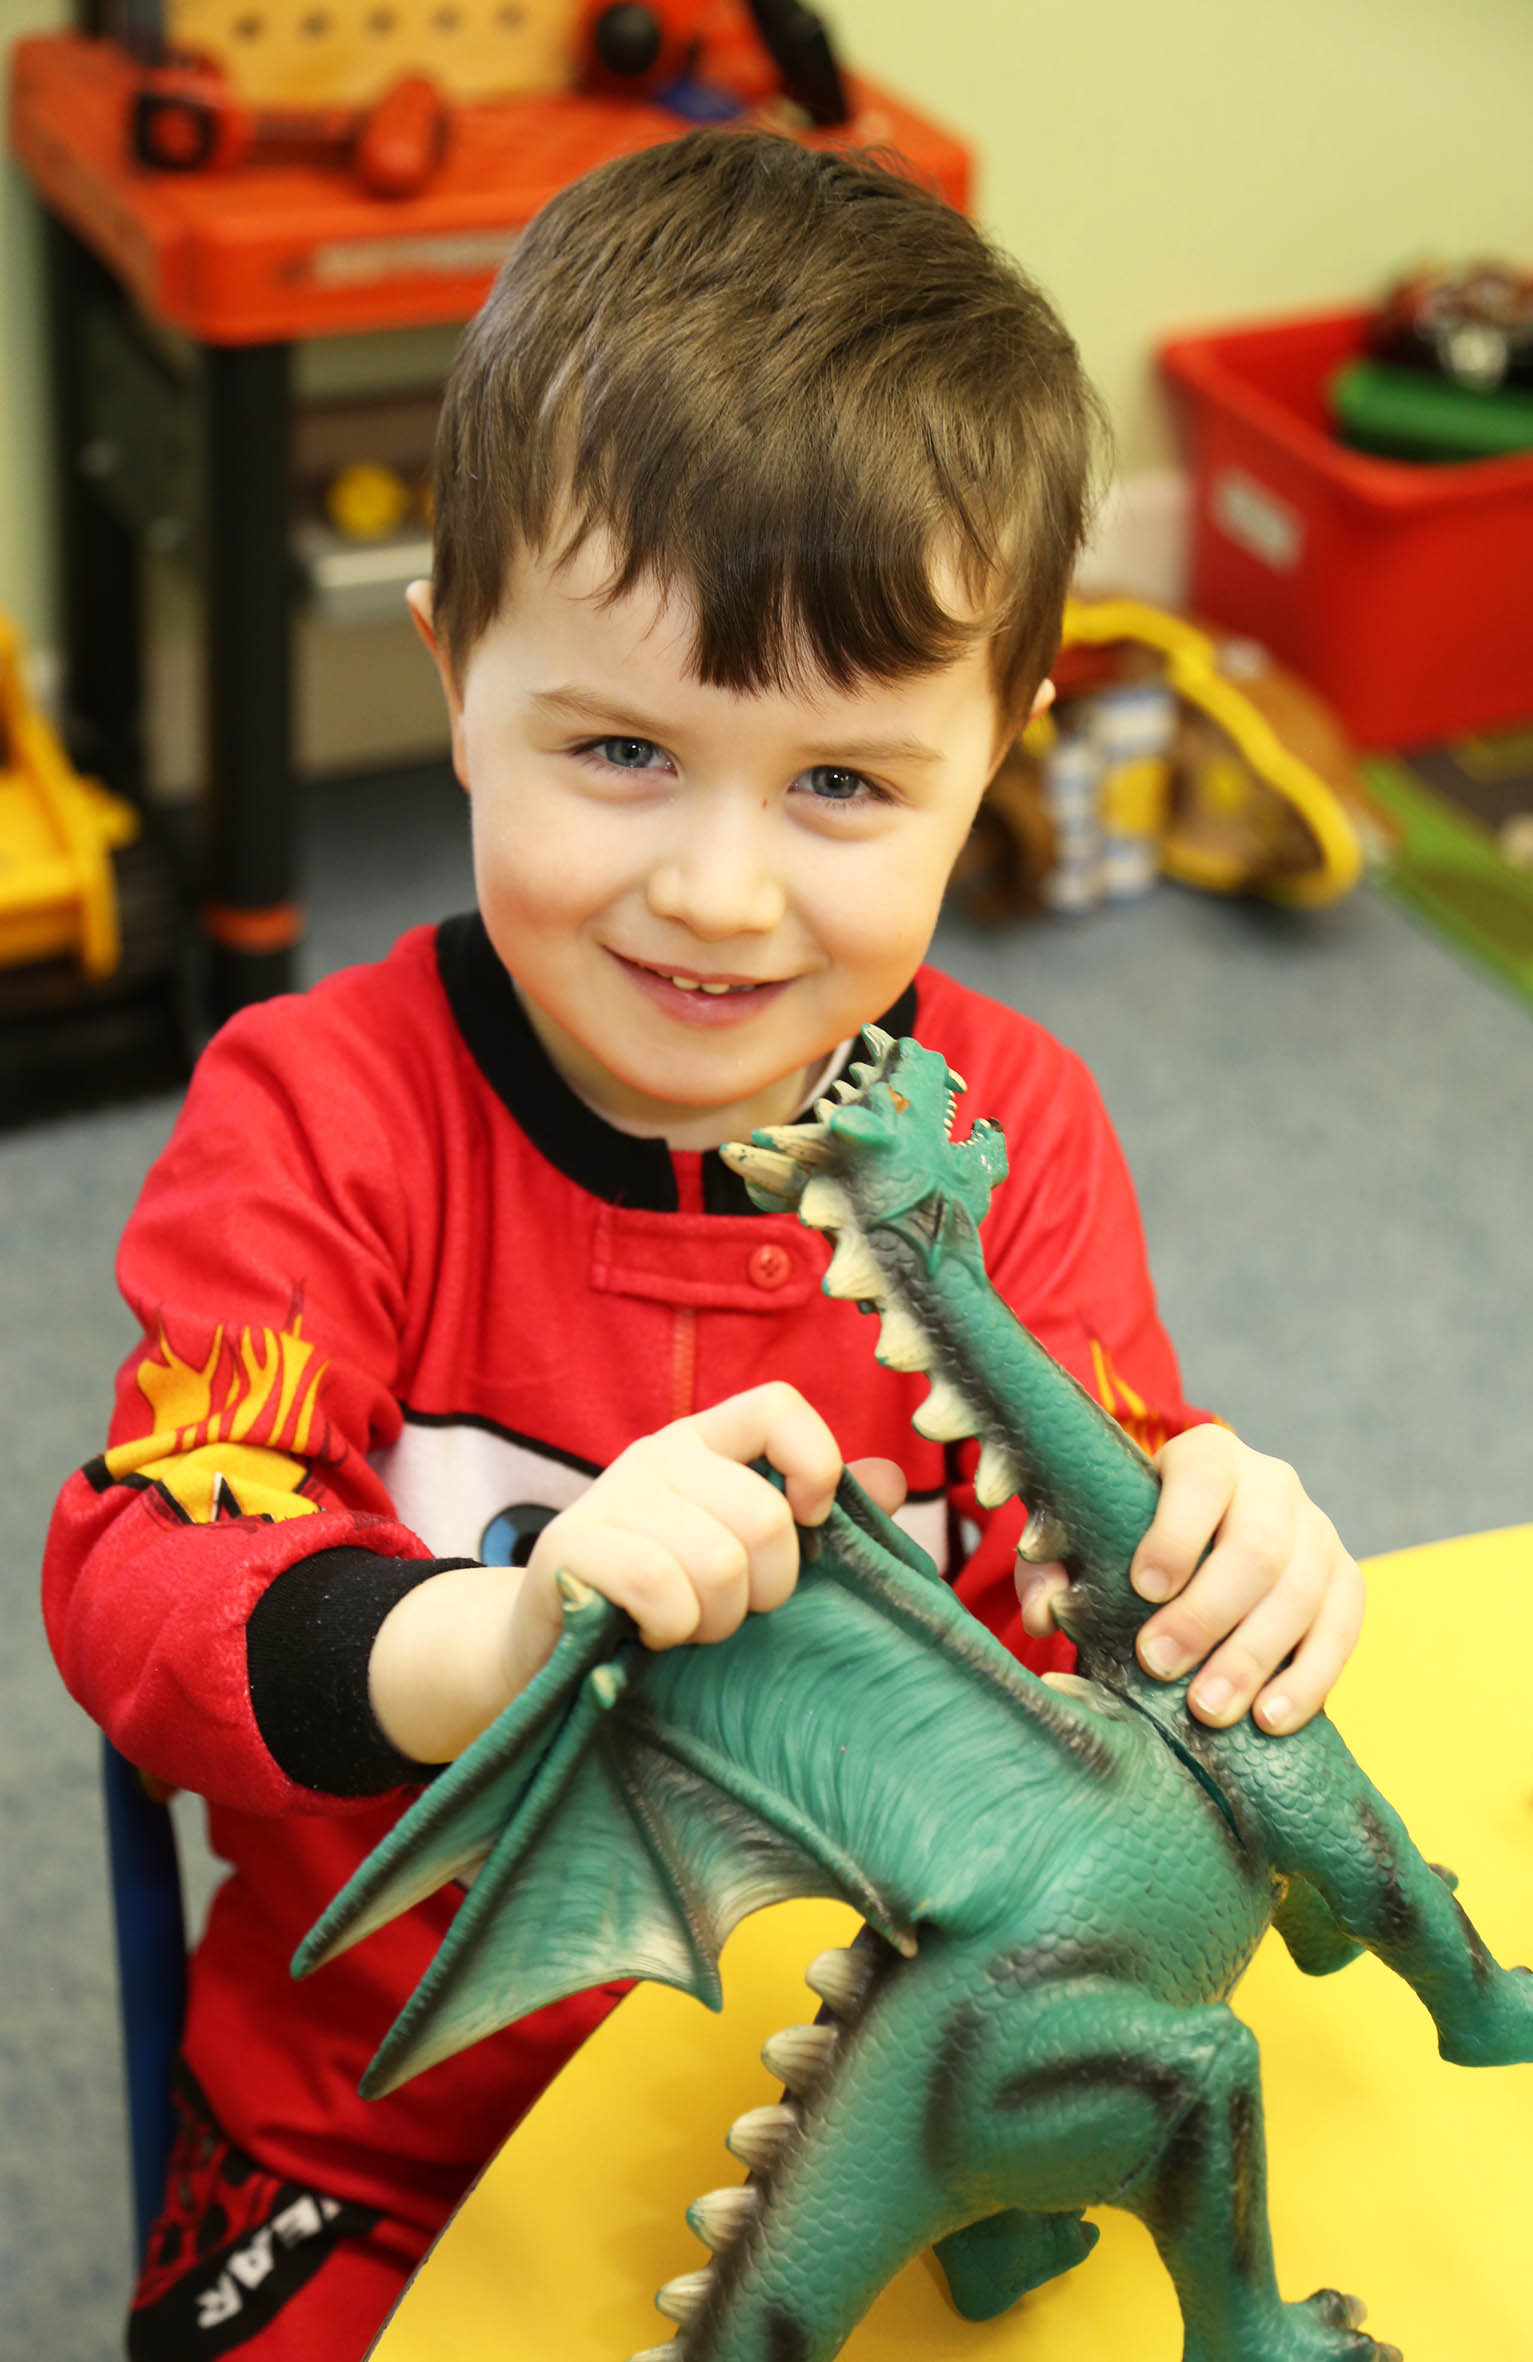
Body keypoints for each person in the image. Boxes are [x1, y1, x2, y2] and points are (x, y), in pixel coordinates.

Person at [44, 130, 1363, 2361]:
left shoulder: (1009, 1130)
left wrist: (1227, 1548)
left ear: (997, 755)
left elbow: (1103, 1602)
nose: (721, 893)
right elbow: (141, 1582)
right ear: (456, 672)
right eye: (623, 748)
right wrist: (496, 1631)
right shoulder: (318, 1112)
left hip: (910, 2105)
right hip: (376, 2136)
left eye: (843, 784)